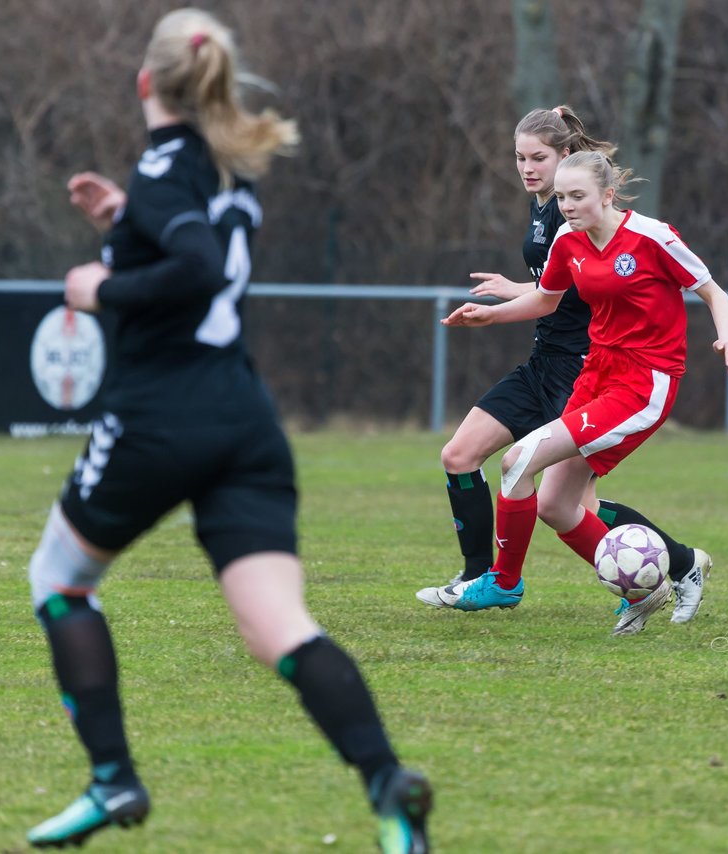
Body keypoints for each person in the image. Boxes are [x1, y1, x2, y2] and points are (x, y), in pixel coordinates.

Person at [24, 9, 431, 851]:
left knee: (59, 582)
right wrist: (124, 222)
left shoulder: (168, 160)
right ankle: (388, 786)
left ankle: (112, 781)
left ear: (146, 81)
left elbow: (194, 270)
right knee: (280, 626)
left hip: (162, 415)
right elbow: (190, 247)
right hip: (243, 420)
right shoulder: (226, 167)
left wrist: (98, 285)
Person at [417, 107, 715, 633]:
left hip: (587, 366)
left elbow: (579, 288)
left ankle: (676, 565)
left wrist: (518, 300)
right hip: (543, 361)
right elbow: (553, 289)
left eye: (540, 159)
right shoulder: (546, 210)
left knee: (568, 499)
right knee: (461, 455)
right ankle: (480, 574)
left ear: (567, 162)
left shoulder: (575, 211)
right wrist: (515, 292)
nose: (529, 169)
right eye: (520, 158)